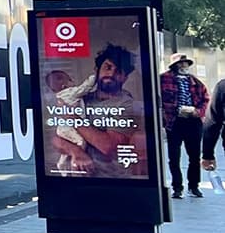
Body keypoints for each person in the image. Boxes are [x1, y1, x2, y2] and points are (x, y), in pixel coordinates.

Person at [49, 43, 144, 179]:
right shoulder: (82, 99)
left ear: (125, 78)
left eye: (119, 71)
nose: (111, 74)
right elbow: (56, 139)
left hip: (111, 181)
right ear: (97, 70)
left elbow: (107, 146)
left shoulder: (127, 104)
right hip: (76, 180)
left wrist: (70, 116)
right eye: (107, 67)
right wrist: (76, 151)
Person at [162, 53, 211, 198]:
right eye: (181, 63)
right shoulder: (163, 79)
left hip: (193, 122)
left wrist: (197, 112)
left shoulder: (195, 81)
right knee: (174, 157)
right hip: (174, 122)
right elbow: (157, 99)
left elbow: (206, 99)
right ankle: (177, 187)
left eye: (186, 63)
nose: (184, 66)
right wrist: (170, 111)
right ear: (175, 65)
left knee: (194, 156)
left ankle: (194, 186)